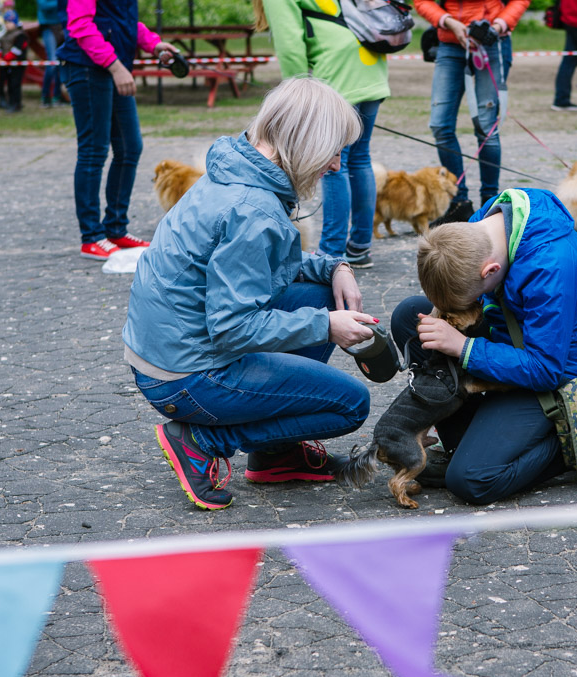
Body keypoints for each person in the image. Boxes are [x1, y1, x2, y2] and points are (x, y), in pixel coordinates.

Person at [122, 77, 374, 511]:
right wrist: (326, 326)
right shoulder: (253, 210)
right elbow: (234, 328)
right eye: (333, 151)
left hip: (168, 355)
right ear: (305, 142)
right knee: (351, 404)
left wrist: (336, 267)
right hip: (186, 378)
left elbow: (267, 268)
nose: (335, 165)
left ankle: (276, 454)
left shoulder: (236, 170)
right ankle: (203, 439)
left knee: (320, 293)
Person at [389, 187, 577, 505]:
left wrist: (463, 347)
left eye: (473, 298)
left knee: (472, 479)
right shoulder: (485, 226)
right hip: (509, 342)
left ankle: (568, 442)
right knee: (411, 316)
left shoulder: (551, 266)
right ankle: (466, 435)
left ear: (490, 270)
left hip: (554, 377)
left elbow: (544, 368)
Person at [256, 0, 390, 268]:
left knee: (333, 165)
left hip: (337, 72)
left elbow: (290, 43)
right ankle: (360, 247)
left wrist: (295, 98)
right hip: (369, 61)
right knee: (359, 157)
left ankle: (331, 253)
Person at [57, 0, 178, 260]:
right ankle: (91, 237)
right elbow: (80, 24)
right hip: (88, 67)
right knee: (93, 151)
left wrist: (153, 43)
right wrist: (115, 66)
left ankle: (115, 228)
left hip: (115, 67)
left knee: (130, 147)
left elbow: (122, 20)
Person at [415, 0, 530, 226]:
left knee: (487, 128)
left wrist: (498, 26)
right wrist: (448, 21)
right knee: (440, 125)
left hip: (492, 40)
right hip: (450, 42)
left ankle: (491, 202)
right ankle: (459, 204)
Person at [0, 8, 28, 112]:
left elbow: (16, 51)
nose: (7, 24)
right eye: (6, 22)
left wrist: (5, 59)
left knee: (15, 85)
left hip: (17, 65)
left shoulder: (21, 35)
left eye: (9, 22)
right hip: (6, 64)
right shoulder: (4, 34)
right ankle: (10, 102)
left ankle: (16, 104)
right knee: (9, 84)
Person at [37, 0, 68, 108]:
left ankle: (58, 96)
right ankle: (45, 96)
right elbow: (44, 6)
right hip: (48, 27)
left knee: (61, 61)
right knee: (52, 62)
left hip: (63, 25)